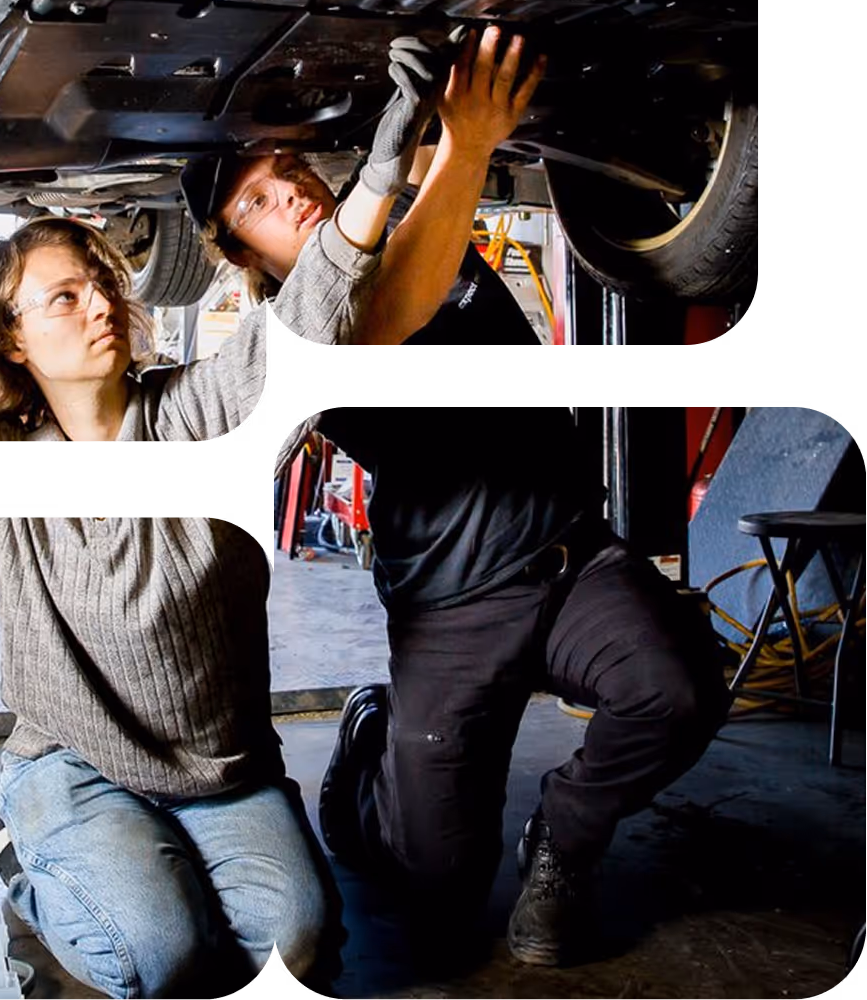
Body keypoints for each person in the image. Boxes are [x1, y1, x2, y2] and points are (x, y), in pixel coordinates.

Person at [302, 397, 734, 968]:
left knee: (677, 690)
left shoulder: (467, 304)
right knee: (439, 899)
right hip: (452, 605)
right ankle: (369, 770)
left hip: (572, 565)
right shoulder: (322, 322)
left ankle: (563, 835)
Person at [0, 517, 345, 999]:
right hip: (70, 758)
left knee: (294, 948)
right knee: (155, 958)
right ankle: (22, 864)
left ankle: (167, 888)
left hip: (218, 767)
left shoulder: (199, 437)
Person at [0, 98, 386, 441]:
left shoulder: (194, 417)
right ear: (12, 339)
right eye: (65, 297)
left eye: (103, 283)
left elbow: (300, 332)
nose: (105, 304)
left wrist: (382, 178)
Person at [181, 24, 547, 348]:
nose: (290, 191)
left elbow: (430, 130)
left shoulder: (380, 201)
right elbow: (388, 313)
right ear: (240, 253)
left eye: (291, 168)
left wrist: (436, 60)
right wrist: (468, 145)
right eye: (257, 202)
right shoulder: (301, 343)